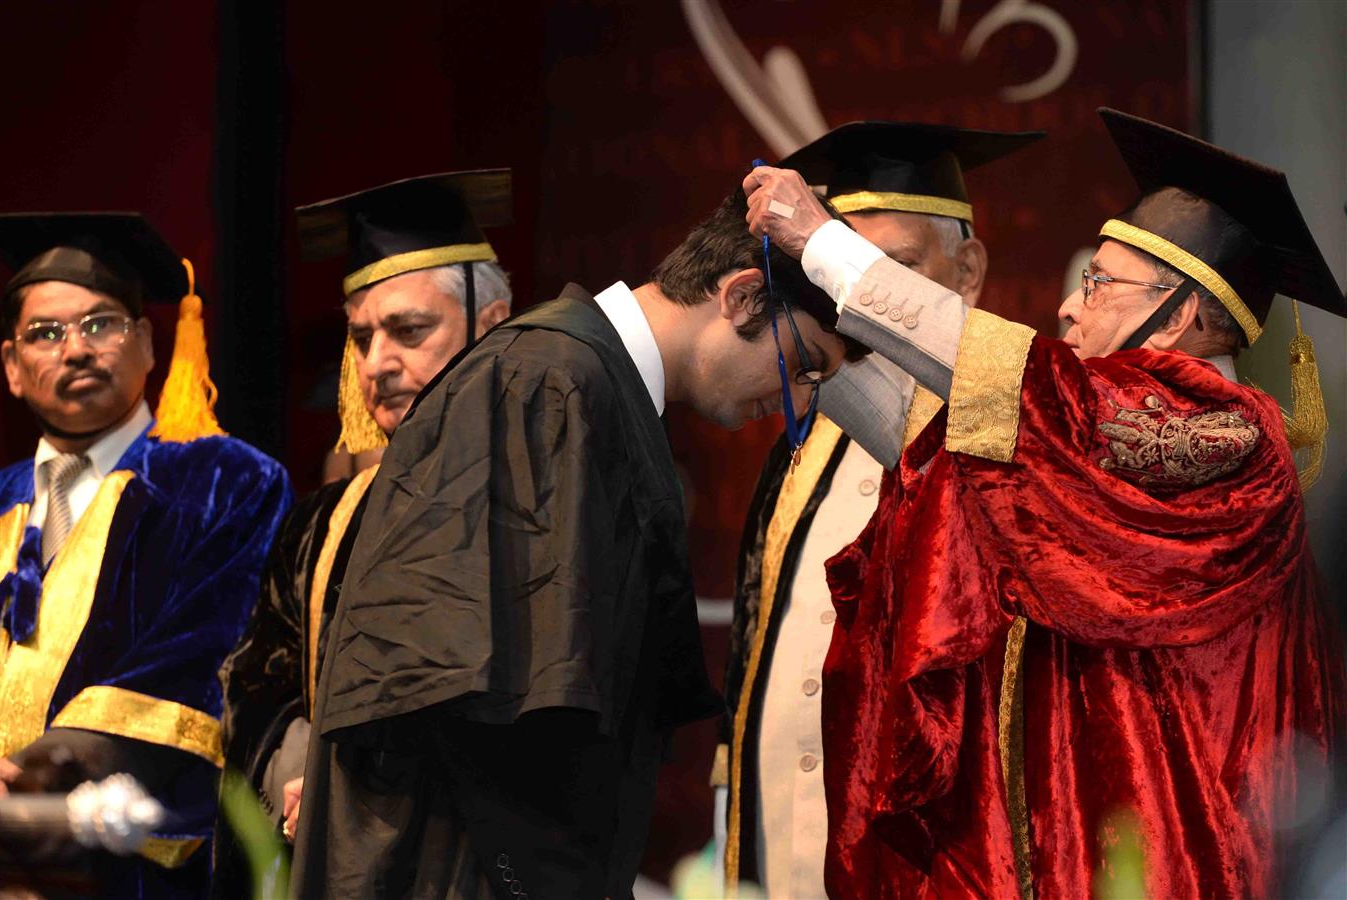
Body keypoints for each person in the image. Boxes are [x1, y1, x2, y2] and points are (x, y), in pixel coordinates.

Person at [744, 108, 1347, 897]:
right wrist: (815, 349)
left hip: (1183, 843)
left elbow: (1028, 393)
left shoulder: (1227, 439)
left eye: (1099, 284)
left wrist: (824, 245)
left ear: (1186, 314)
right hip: (1074, 828)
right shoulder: (1094, 433)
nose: (1069, 305)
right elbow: (944, 443)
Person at [290, 182, 867, 899]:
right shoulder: (548, 383)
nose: (802, 400)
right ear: (743, 296)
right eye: (804, 362)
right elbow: (467, 700)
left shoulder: (588, 384)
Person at [719, 121, 1042, 897]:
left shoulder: (1024, 436)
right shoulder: (803, 449)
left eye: (886, 270)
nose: (850, 303)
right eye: (830, 273)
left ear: (967, 269)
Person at [213, 170, 514, 893]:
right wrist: (308, 775)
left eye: (410, 330)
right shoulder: (324, 518)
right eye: (361, 337)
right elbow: (257, 683)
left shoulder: (542, 492)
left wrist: (361, 789)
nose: (377, 363)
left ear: (493, 324)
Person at [0, 213, 291, 897]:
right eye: (45, 333)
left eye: (101, 324)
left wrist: (35, 771)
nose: (75, 350)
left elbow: (198, 656)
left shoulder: (224, 482)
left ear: (152, 344)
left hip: (128, 863)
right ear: (12, 367)